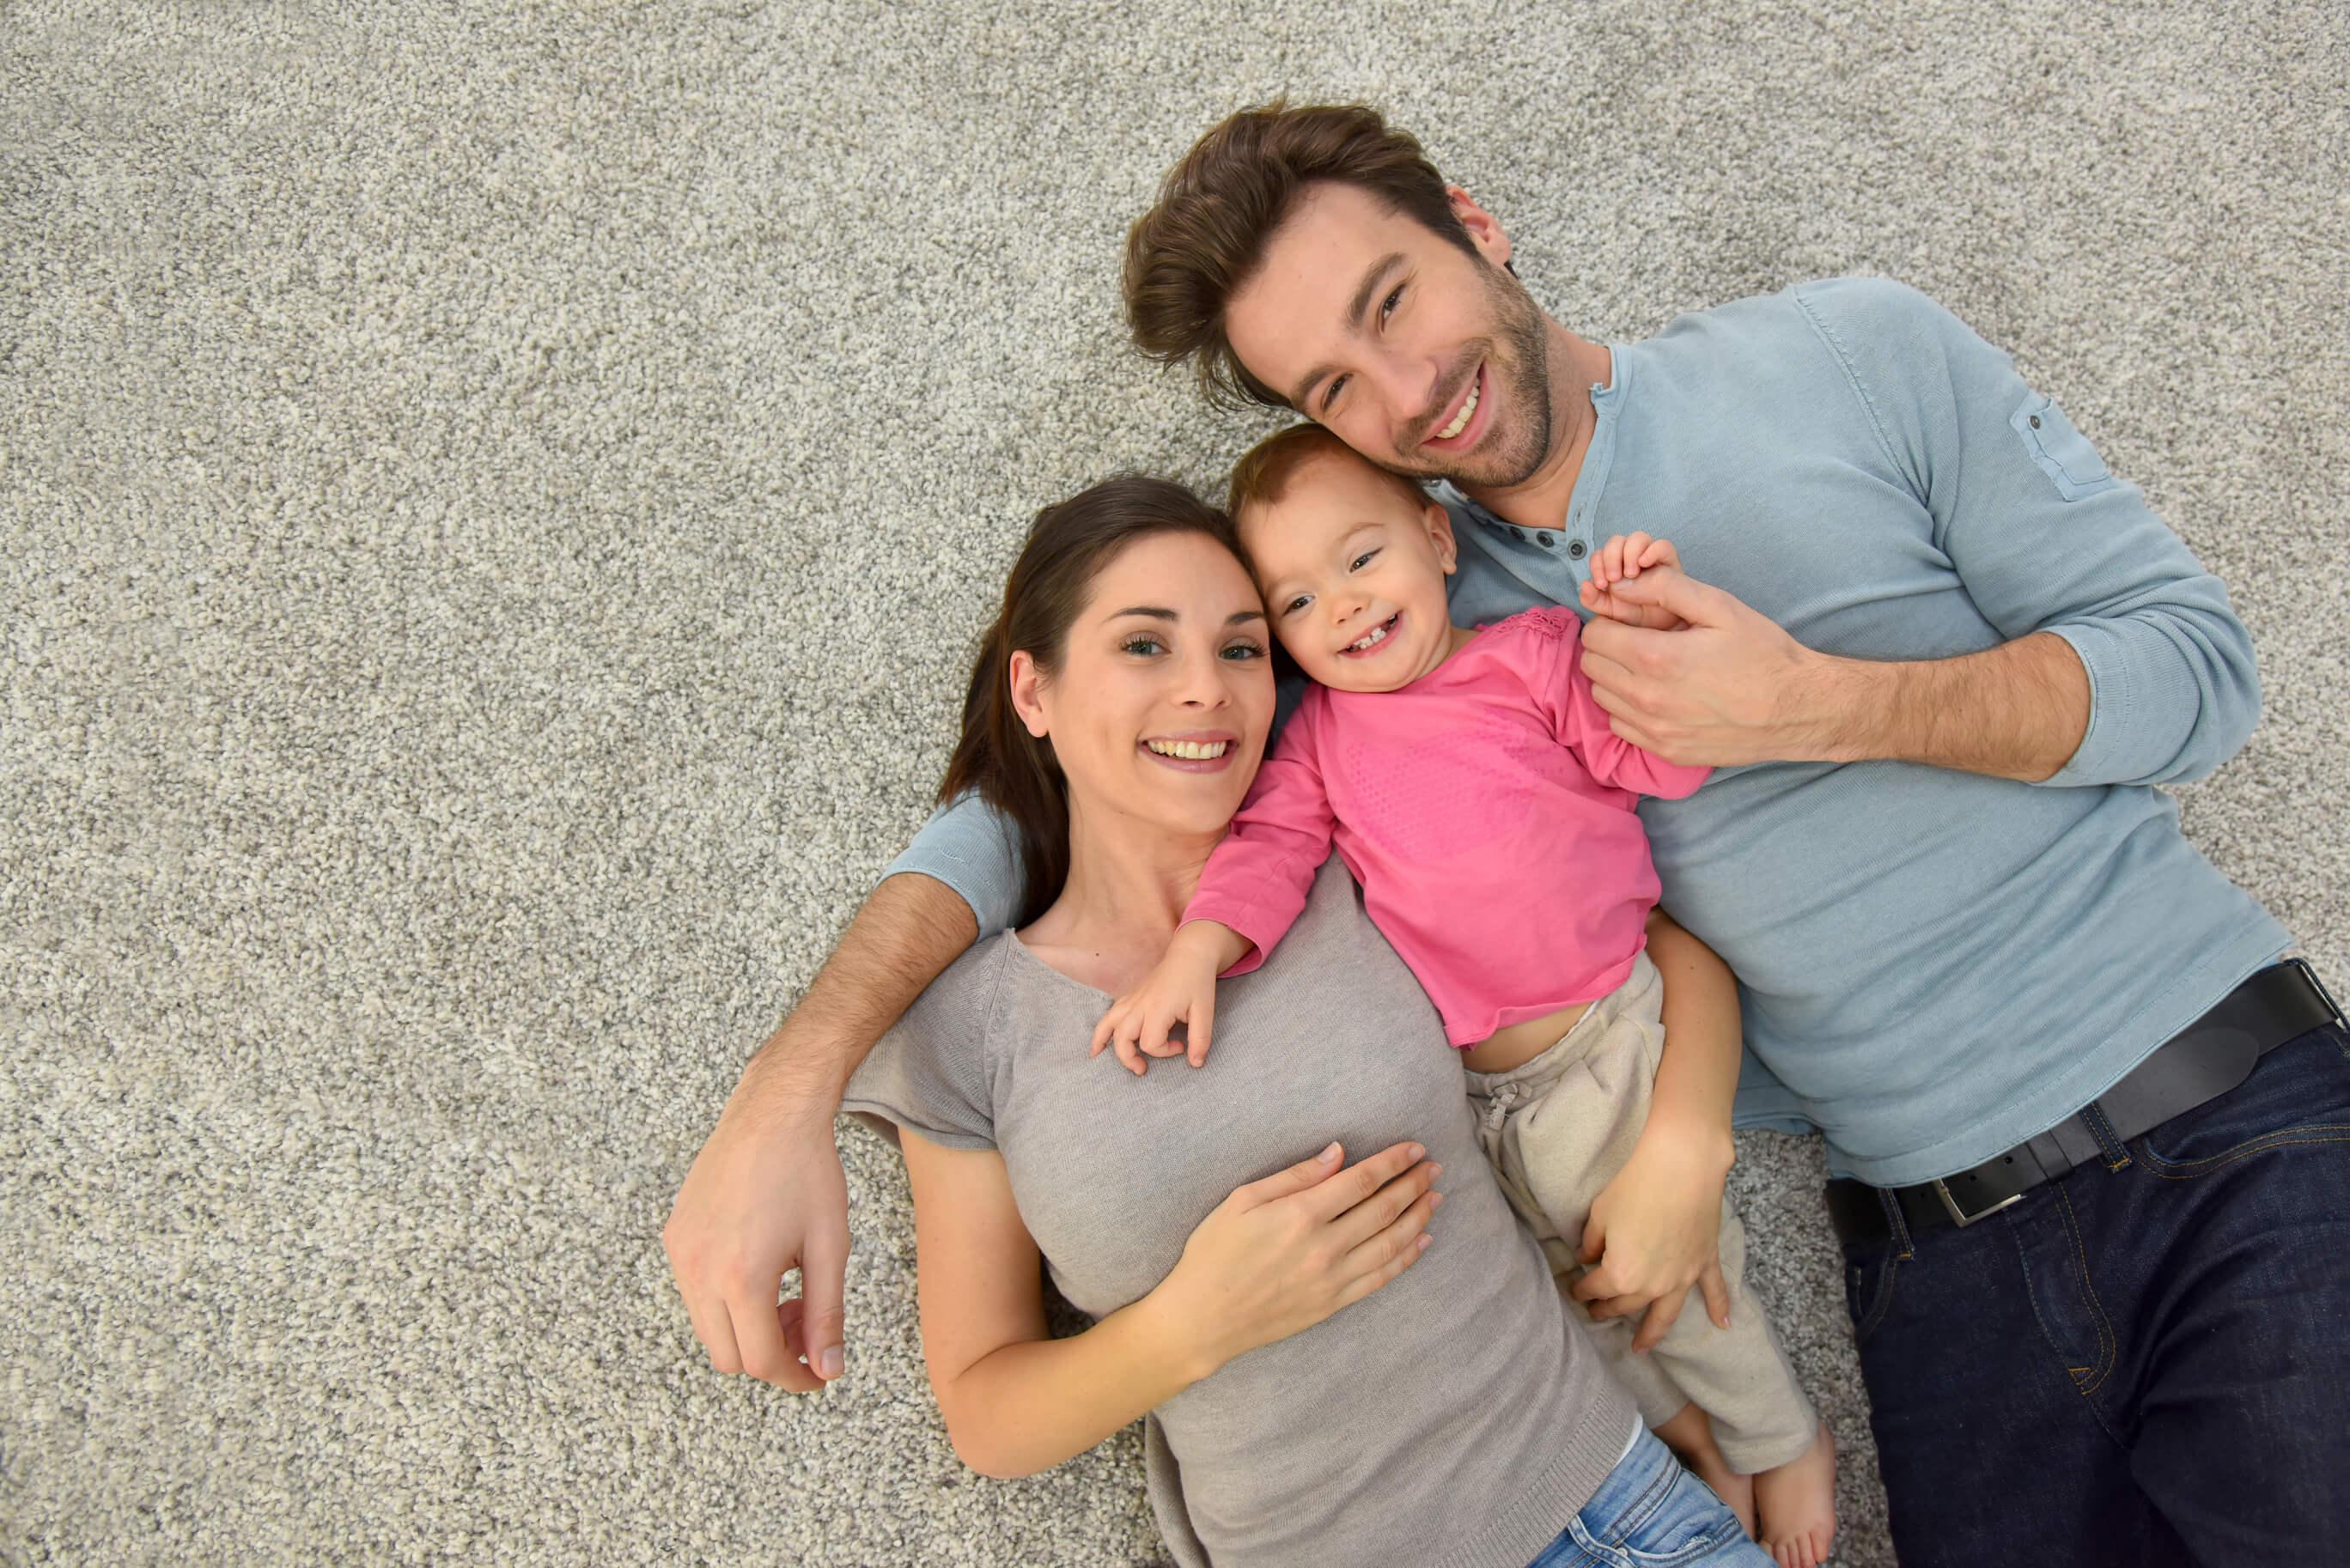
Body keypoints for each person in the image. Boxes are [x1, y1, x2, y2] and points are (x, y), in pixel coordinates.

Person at [665, 102, 2350, 1566]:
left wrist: (1819, 702)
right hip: (1930, 1259)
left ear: (1479, 228)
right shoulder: (1404, 621)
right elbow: (1072, 771)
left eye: (1396, 301)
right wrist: (789, 1087)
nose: (1412, 389)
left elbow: (2200, 675)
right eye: (1337, 381)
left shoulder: (1847, 351)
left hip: (2227, 1119)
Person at [837, 474, 1772, 1567]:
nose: (1206, 690)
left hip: (1616, 1512)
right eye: (1145, 645)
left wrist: (1688, 1141)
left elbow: (1650, 950)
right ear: (1033, 691)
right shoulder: (971, 1025)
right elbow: (989, 1413)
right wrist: (1197, 1320)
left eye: (1241, 648)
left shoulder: (1349, 849)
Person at [1087, 425, 1833, 1567]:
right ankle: (1697, 1447)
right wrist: (1197, 949)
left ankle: (1782, 1438)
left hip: (1599, 1031)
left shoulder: (1531, 658)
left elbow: (1662, 758)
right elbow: (1270, 851)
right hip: (1481, 1101)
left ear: (1438, 539)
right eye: (1294, 600)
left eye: (1359, 559)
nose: (1338, 607)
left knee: (1676, 1274)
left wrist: (1638, 631)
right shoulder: (1319, 741)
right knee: (1573, 1299)